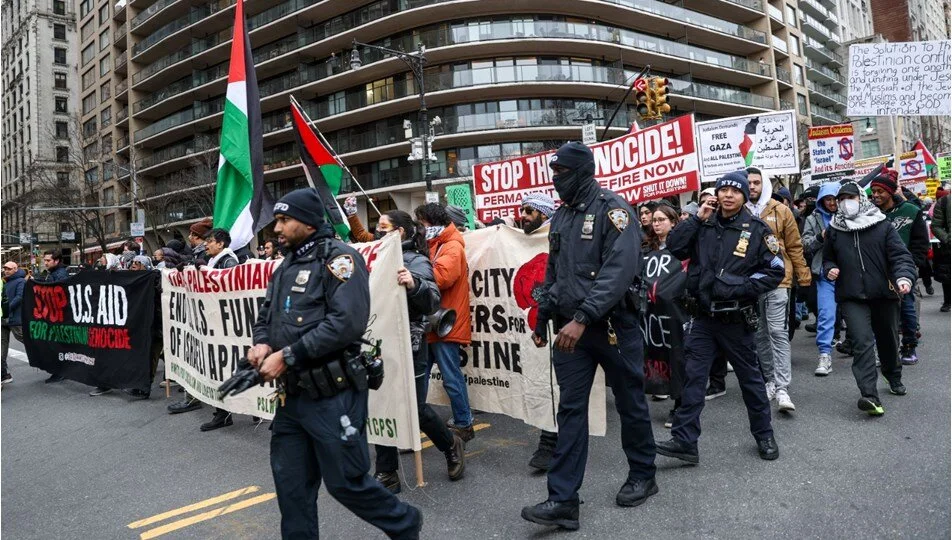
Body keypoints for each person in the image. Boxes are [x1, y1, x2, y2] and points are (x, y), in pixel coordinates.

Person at [250, 188, 422, 539]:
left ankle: (404, 523)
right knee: (292, 489)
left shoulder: (340, 259)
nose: (277, 228)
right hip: (292, 398)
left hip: (333, 394)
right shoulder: (286, 265)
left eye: (284, 219)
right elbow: (267, 314)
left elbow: (346, 324)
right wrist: (262, 342)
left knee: (347, 482)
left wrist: (287, 355)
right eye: (277, 220)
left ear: (309, 223)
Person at [521, 142, 656, 531]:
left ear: (581, 171)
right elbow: (555, 272)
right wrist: (543, 316)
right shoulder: (562, 216)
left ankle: (643, 474)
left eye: (562, 172)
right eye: (554, 173)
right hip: (569, 330)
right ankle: (563, 500)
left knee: (630, 402)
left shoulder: (614, 210)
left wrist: (582, 317)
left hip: (611, 326)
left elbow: (618, 271)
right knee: (570, 410)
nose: (556, 179)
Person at [657, 170, 783, 465]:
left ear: (744, 196)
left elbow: (775, 271)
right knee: (693, 379)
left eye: (735, 191)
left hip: (736, 320)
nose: (728, 195)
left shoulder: (757, 229)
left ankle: (764, 435)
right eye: (723, 189)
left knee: (751, 381)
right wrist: (697, 218)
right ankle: (685, 441)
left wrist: (738, 287)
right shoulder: (703, 223)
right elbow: (675, 247)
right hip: (703, 318)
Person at [371, 210, 466, 493]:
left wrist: (413, 284)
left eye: (383, 228)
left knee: (414, 406)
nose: (378, 233)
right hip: (379, 343)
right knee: (382, 403)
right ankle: (387, 472)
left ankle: (451, 444)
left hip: (410, 344)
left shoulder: (415, 261)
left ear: (399, 231)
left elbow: (431, 300)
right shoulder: (374, 259)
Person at [822, 182, 916, 416]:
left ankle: (893, 375)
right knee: (862, 342)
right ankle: (869, 396)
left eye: (851, 197)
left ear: (861, 199)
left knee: (888, 339)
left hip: (884, 293)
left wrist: (904, 277)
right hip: (851, 296)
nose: (846, 203)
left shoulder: (882, 225)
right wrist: (830, 269)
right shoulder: (835, 229)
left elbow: (900, 256)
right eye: (841, 199)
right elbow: (827, 259)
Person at [745, 168, 811, 412]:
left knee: (777, 331)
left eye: (756, 182)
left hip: (778, 281)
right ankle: (770, 380)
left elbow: (794, 246)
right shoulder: (738, 211)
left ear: (764, 184)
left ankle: (783, 388)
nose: (752, 187)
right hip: (750, 283)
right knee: (759, 333)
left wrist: (803, 276)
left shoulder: (781, 210)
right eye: (748, 183)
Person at [415, 202, 475, 442]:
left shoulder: (451, 246)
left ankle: (464, 422)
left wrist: (414, 272)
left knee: (450, 376)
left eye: (422, 223)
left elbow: (441, 278)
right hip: (432, 323)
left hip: (445, 323)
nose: (420, 227)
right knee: (420, 376)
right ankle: (418, 421)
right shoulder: (434, 244)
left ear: (433, 223)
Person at [869, 170, 929, 365]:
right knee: (881, 311)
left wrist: (914, 263)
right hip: (878, 270)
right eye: (873, 191)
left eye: (880, 191)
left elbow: (921, 241)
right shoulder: (870, 213)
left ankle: (909, 346)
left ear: (890, 192)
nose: (876, 195)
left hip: (904, 267)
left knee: (906, 307)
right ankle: (886, 349)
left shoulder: (911, 211)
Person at [517, 192, 559, 472]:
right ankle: (549, 442)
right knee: (549, 380)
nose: (522, 216)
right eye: (521, 211)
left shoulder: (559, 236)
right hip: (542, 319)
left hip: (568, 318)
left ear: (543, 214)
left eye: (528, 211)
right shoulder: (523, 241)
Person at [645, 204, 687, 428]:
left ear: (673, 222)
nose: (657, 224)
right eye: (654, 220)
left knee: (677, 357)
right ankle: (659, 387)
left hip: (674, 313)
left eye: (661, 219)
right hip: (651, 314)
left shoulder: (683, 248)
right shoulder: (647, 248)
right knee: (654, 354)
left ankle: (680, 404)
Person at [167, 219, 213, 414]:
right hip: (197, 313)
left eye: (193, 234)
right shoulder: (197, 254)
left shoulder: (208, 256)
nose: (189, 238)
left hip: (206, 314)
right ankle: (194, 395)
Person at [200, 228, 241, 431]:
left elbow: (231, 290)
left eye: (209, 241)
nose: (206, 244)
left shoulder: (228, 262)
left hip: (225, 326)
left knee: (222, 369)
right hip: (216, 323)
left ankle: (223, 414)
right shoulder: (213, 262)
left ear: (221, 244)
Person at [801, 182, 841, 376]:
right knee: (825, 314)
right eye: (828, 199)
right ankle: (824, 354)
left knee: (863, 315)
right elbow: (805, 245)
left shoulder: (852, 214)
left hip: (851, 273)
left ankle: (872, 351)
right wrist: (820, 236)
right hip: (825, 273)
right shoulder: (813, 218)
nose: (832, 203)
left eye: (835, 199)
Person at [37, 251, 70, 383]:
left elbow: (60, 294)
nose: (45, 263)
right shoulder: (53, 273)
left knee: (57, 344)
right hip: (54, 314)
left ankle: (61, 371)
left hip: (58, 315)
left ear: (56, 261)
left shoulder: (60, 274)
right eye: (44, 260)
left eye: (48, 260)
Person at [1, 261, 26, 384]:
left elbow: (20, 297)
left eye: (9, 269)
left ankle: (47, 356)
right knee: (2, 346)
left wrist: (6, 308)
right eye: (5, 269)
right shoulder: (6, 282)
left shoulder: (21, 281)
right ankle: (3, 373)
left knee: (27, 340)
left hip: (15, 318)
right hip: (4, 318)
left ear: (16, 269)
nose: (6, 271)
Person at [932, 187, 951, 312]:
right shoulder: (944, 201)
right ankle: (948, 301)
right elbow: (936, 225)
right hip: (949, 247)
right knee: (948, 275)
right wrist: (947, 239)